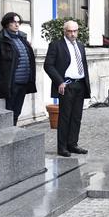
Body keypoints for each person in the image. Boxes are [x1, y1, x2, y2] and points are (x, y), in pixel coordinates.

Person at [43, 20, 89, 157]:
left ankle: (72, 144)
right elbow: (48, 65)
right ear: (64, 31)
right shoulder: (56, 45)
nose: (73, 34)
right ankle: (62, 147)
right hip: (66, 85)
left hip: (80, 84)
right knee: (65, 117)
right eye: (70, 31)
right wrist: (60, 82)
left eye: (75, 31)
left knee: (76, 117)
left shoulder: (80, 46)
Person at [0, 12, 36, 124]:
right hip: (11, 83)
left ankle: (14, 132)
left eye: (18, 22)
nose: (17, 25)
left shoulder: (23, 39)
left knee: (17, 111)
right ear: (7, 23)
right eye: (13, 22)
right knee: (9, 111)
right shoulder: (1, 39)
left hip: (24, 82)